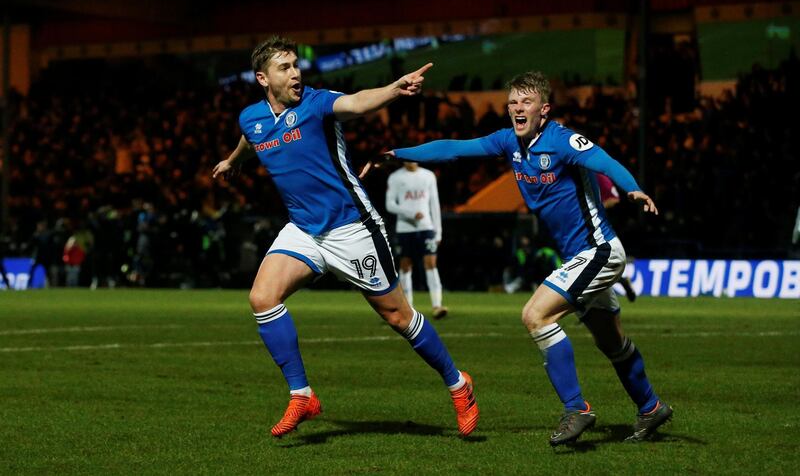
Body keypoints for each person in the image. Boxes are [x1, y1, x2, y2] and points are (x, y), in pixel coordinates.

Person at [362, 71, 671, 445]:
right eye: (512, 102)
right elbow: (454, 148)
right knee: (612, 343)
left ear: (544, 109)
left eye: (525, 102)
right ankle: (651, 407)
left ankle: (577, 408)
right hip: (579, 255)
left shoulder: (561, 139)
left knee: (535, 315)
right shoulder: (508, 142)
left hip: (599, 250)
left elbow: (604, 160)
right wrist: (397, 154)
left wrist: (633, 188)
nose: (517, 108)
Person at [212, 36, 478, 438]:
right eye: (285, 67)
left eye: (296, 65)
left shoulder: (318, 104)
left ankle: (459, 385)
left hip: (351, 226)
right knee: (262, 298)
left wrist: (393, 90)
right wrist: (233, 161)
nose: (296, 73)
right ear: (263, 78)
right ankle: (302, 395)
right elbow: (252, 139)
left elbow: (355, 102)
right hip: (303, 229)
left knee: (398, 317)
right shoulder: (251, 117)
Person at [385, 161, 448, 319]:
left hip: (426, 227)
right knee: (406, 266)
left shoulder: (428, 175)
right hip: (405, 228)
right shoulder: (395, 177)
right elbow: (390, 204)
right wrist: (410, 213)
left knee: (431, 263)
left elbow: (434, 204)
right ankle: (407, 308)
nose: (411, 161)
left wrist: (438, 232)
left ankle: (437, 305)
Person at [595, 173, 637, 302]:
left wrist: (596, 210)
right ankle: (622, 282)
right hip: (590, 226)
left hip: (603, 227)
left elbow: (614, 199)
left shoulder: (599, 177)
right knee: (597, 267)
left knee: (597, 264)